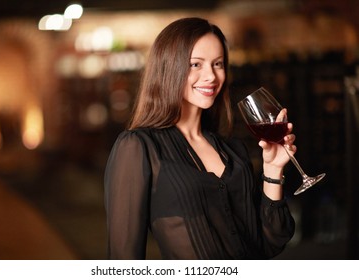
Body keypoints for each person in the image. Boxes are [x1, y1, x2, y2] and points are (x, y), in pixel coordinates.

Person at [104, 17, 296, 260]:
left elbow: (269, 243)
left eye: (218, 64)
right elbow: (123, 261)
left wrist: (273, 169)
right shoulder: (138, 147)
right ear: (168, 67)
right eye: (196, 64)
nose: (211, 76)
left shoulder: (233, 151)